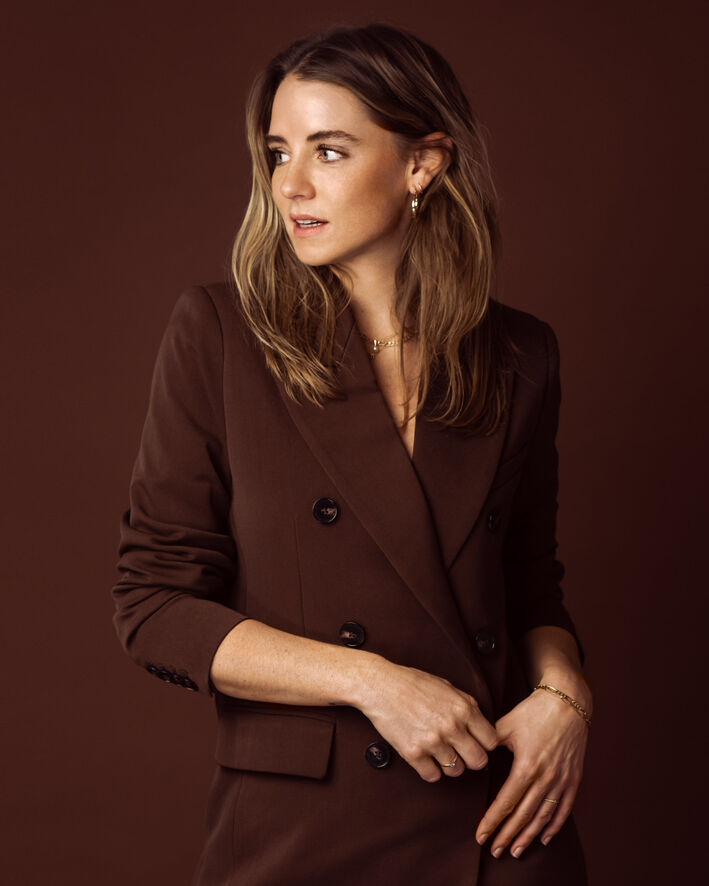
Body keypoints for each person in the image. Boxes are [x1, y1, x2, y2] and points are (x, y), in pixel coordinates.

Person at [111, 21, 592, 886]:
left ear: (422, 165)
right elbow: (154, 604)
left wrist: (565, 701)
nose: (289, 183)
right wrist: (371, 681)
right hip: (306, 833)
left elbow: (529, 586)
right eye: (277, 152)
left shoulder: (521, 355)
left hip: (498, 821)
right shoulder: (220, 334)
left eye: (328, 151)